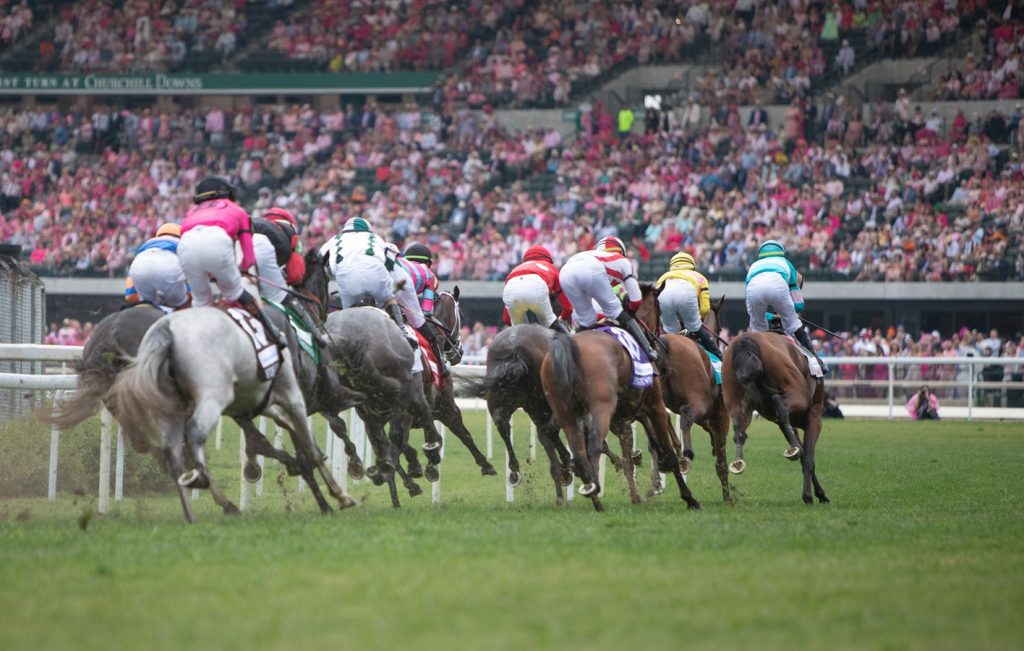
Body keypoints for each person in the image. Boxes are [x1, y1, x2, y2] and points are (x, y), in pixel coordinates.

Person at [177, 176, 287, 347]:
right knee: (236, 293)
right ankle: (273, 334)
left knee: (201, 301)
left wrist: (213, 273)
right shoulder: (237, 210)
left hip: (185, 246)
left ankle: (191, 343)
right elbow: (249, 259)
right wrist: (241, 269)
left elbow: (197, 252)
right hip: (217, 243)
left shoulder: (189, 214)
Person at [559, 236, 660, 364]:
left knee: (587, 320)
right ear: (621, 252)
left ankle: (570, 354)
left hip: (565, 272)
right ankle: (648, 350)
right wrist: (628, 311)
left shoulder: (592, 255)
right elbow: (636, 301)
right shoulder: (624, 262)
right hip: (591, 271)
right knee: (615, 311)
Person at [319, 217, 423, 339]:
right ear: (367, 230)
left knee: (348, 315)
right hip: (376, 279)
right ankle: (402, 331)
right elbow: (392, 264)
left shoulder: (333, 240)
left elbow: (317, 263)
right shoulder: (376, 238)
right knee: (389, 299)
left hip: (348, 284)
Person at [744, 240, 827, 372]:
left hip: (752, 290)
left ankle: (752, 365)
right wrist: (787, 315)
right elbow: (798, 305)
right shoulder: (787, 264)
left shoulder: (753, 266)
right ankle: (817, 361)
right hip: (778, 287)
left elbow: (751, 304)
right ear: (781, 252)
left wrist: (770, 316)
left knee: (757, 330)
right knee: (794, 325)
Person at [251, 207, 328, 347]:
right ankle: (317, 335)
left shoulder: (256, 224)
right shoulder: (290, 233)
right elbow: (295, 276)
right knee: (283, 296)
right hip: (263, 255)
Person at [655, 251, 723, 359]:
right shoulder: (700, 277)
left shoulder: (662, 277)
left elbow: (655, 302)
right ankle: (720, 358)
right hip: (686, 293)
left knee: (671, 331)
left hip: (663, 295)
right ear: (692, 266)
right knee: (695, 326)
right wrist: (698, 320)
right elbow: (705, 309)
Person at [399, 242, 449, 376]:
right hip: (401, 292)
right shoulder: (430, 275)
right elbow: (426, 311)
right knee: (430, 335)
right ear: (428, 263)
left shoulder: (399, 261)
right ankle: (441, 366)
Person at [501, 244, 572, 334]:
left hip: (510, 288)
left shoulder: (515, 270)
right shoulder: (550, 267)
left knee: (519, 334)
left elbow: (506, 319)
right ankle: (572, 345)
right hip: (537, 286)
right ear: (548, 260)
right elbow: (568, 307)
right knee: (550, 322)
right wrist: (561, 319)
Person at [124, 222, 190, 310]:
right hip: (169, 269)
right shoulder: (184, 243)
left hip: (139, 268)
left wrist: (130, 293)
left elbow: (130, 295)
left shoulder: (147, 243)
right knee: (184, 305)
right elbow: (191, 272)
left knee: (148, 306)